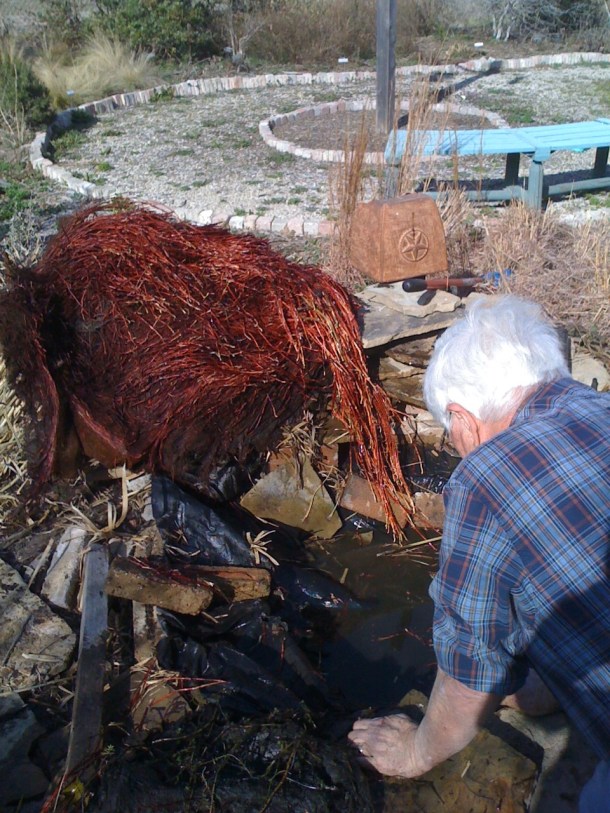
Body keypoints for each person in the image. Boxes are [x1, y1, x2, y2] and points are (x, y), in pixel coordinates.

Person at [348, 295, 610, 811]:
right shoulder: (598, 407)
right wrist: (547, 686)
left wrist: (416, 750)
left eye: (451, 437)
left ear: (462, 419)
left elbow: (471, 677)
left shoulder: (483, 478)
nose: (457, 449)